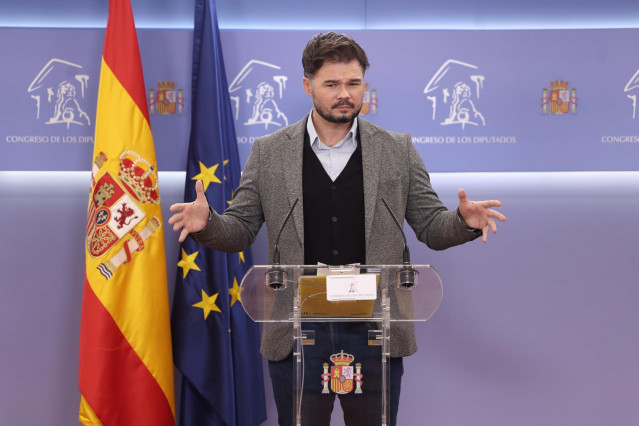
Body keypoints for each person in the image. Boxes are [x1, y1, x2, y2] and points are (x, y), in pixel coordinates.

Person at [169, 32, 506, 426]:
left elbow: (431, 225)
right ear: (307, 85)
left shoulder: (397, 149)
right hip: (296, 331)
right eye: (332, 84)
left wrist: (462, 221)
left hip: (375, 328)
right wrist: (208, 224)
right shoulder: (269, 151)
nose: (344, 93)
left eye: (353, 83)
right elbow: (241, 229)